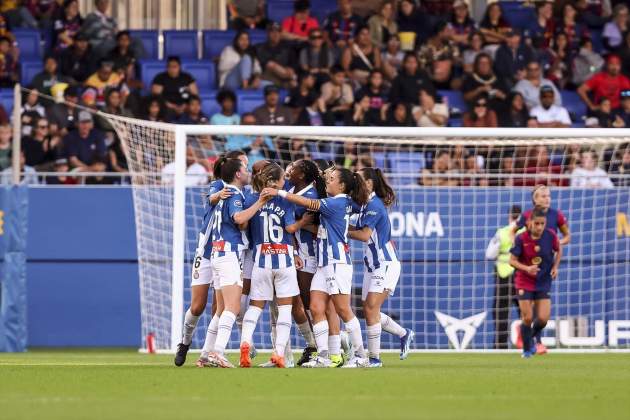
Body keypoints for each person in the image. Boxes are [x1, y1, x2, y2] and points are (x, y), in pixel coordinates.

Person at [261, 167, 371, 368]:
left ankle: (362, 356)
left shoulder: (337, 203)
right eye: (327, 178)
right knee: (316, 307)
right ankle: (324, 355)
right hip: (324, 264)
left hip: (336, 263)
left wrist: (280, 192)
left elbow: (309, 202)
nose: (328, 181)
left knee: (343, 310)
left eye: (332, 179)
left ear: (343, 185)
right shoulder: (344, 202)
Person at [173, 154, 244, 367]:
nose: (246, 166)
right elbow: (211, 198)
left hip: (223, 253)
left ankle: (208, 353)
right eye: (243, 162)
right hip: (206, 252)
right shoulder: (219, 185)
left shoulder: (240, 191)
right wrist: (219, 195)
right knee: (197, 306)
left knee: (220, 306)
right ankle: (185, 342)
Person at [238, 162, 307, 368]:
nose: (285, 182)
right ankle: (278, 353)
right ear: (276, 181)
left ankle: (245, 343)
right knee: (285, 309)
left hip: (260, 259)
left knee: (255, 307)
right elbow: (289, 227)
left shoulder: (251, 199)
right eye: (282, 179)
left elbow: (243, 226)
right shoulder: (285, 199)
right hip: (284, 259)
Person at [349, 167, 414, 366]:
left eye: (358, 179)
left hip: (385, 264)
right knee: (370, 310)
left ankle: (375, 358)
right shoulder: (363, 204)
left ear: (369, 183)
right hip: (372, 265)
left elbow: (364, 235)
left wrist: (340, 229)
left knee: (370, 308)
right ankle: (404, 333)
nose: (354, 182)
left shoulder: (375, 205)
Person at [198, 157, 255, 368]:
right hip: (229, 254)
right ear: (238, 174)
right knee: (233, 306)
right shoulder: (235, 194)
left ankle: (205, 353)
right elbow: (239, 219)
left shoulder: (223, 195)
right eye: (246, 169)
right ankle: (218, 352)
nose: (248, 172)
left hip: (217, 254)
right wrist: (259, 203)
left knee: (221, 309)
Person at [284, 159, 327, 365]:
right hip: (297, 252)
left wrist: (297, 226)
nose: (289, 169)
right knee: (300, 303)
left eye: (293, 168)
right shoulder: (292, 189)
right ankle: (318, 345)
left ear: (302, 175)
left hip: (311, 255)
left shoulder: (311, 196)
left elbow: (320, 228)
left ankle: (327, 346)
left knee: (312, 304)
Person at [510, 207, 562, 358]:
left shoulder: (550, 235)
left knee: (543, 319)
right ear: (529, 223)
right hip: (524, 280)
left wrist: (555, 266)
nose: (539, 227)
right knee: (527, 317)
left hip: (542, 280)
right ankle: (527, 350)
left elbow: (559, 249)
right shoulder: (521, 238)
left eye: (542, 224)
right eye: (537, 223)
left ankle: (528, 338)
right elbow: (511, 261)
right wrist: (526, 268)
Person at [485, 204, 522, 349]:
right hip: (521, 275)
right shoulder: (527, 232)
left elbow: (489, 254)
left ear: (509, 216)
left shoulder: (503, 232)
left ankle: (500, 346)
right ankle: (530, 342)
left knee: (500, 313)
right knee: (525, 312)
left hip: (504, 276)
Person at [63, 111, 107, 180]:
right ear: (77, 123)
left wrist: (91, 169)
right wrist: (90, 170)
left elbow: (101, 156)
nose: (85, 125)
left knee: (101, 169)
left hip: (94, 167)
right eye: (82, 122)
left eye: (88, 122)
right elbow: (73, 160)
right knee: (81, 174)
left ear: (91, 124)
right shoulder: (71, 136)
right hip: (78, 168)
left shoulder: (97, 135)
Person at [256, 22, 297, 88]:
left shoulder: (288, 48)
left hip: (283, 79)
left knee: (294, 84)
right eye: (272, 31)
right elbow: (265, 65)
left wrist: (291, 69)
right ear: (268, 33)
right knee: (271, 64)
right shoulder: (259, 48)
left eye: (278, 32)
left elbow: (293, 64)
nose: (275, 34)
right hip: (267, 78)